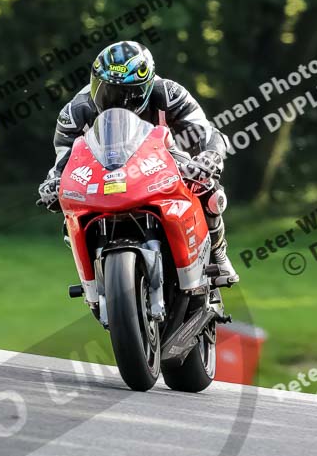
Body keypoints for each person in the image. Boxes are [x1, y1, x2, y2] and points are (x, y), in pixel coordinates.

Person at [38, 40, 239, 286]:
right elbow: (63, 160)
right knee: (70, 217)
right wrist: (53, 183)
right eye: (105, 90)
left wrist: (208, 158)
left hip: (162, 161)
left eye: (125, 94)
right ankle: (96, 282)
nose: (113, 100)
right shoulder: (75, 111)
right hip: (102, 171)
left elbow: (205, 132)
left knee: (208, 189)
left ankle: (218, 254)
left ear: (144, 88)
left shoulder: (169, 93)